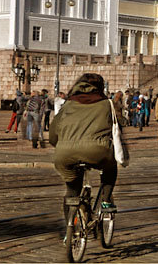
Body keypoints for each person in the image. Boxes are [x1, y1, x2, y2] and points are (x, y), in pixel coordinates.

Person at [50, 73, 122, 223]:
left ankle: (71, 229)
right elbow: (118, 125)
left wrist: (63, 144)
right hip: (97, 151)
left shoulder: (67, 105)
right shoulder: (106, 104)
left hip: (65, 154)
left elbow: (53, 135)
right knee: (110, 168)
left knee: (72, 192)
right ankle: (106, 200)